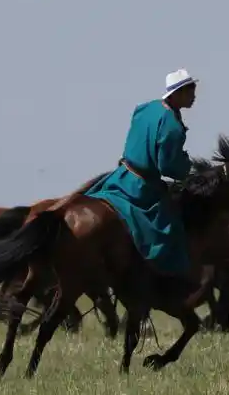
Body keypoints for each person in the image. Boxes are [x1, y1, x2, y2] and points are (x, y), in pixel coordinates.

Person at [83, 68, 198, 281]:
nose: (195, 95)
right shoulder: (172, 126)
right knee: (170, 223)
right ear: (178, 93)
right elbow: (167, 167)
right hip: (142, 186)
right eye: (191, 90)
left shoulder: (146, 108)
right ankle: (163, 275)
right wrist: (186, 167)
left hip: (121, 176)